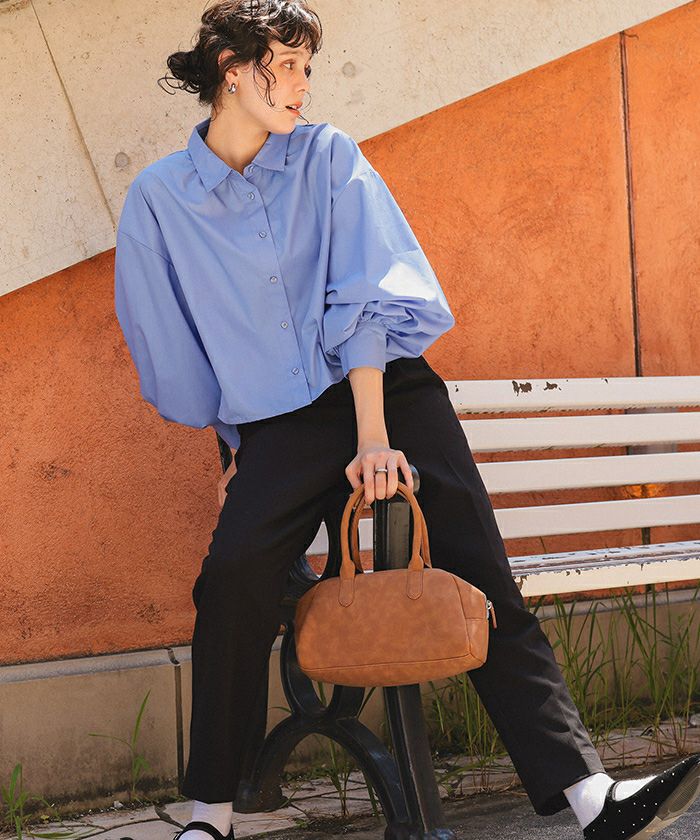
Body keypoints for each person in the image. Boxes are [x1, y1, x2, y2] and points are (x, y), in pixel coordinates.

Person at [113, 2, 700, 839]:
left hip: (386, 391)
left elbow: (363, 295)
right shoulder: (159, 201)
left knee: (480, 571)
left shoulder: (328, 157)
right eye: (289, 65)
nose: (304, 85)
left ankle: (590, 796)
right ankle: (208, 817)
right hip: (278, 423)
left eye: (309, 67)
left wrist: (374, 436)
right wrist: (235, 447)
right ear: (234, 72)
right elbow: (176, 348)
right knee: (232, 582)